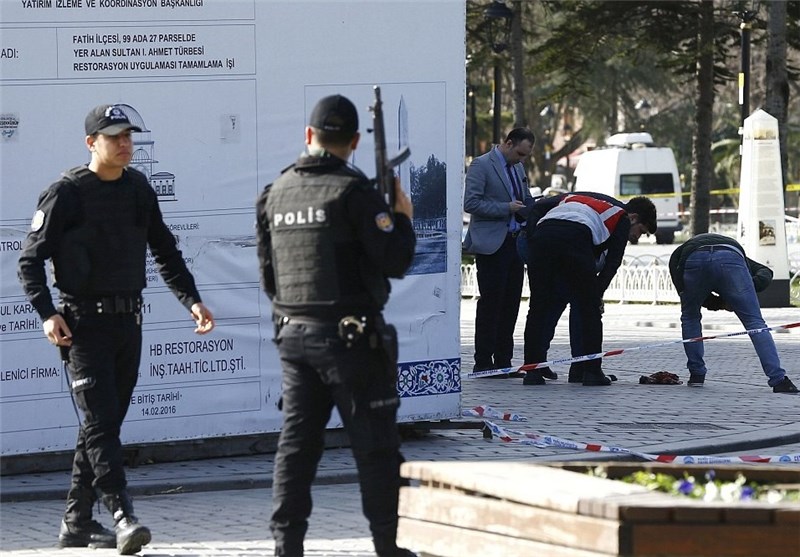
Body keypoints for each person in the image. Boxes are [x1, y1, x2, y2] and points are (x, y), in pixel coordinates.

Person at [17, 104, 216, 555]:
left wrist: (192, 300)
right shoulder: (66, 193)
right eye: (114, 136)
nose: (125, 144)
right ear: (92, 143)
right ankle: (123, 515)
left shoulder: (139, 190)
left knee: (100, 426)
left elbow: (165, 250)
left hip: (129, 323)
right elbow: (29, 260)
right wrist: (48, 312)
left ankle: (77, 522)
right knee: (102, 425)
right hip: (83, 326)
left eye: (129, 136)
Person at [255, 94, 418, 557]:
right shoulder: (355, 193)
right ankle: (389, 546)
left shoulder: (275, 192)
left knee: (296, 449)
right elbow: (397, 260)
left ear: (308, 137)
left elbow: (270, 279)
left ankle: (287, 547)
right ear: (353, 142)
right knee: (376, 448)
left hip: (295, 336)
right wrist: (402, 218)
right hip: (351, 340)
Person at [522, 192, 656, 386]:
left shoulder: (572, 200)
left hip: (543, 238)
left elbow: (538, 208)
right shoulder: (620, 216)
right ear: (634, 218)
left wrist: (533, 237)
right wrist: (596, 295)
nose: (636, 237)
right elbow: (613, 263)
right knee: (589, 312)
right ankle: (592, 372)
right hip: (576, 238)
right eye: (641, 231)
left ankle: (532, 372)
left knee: (537, 308)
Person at [668, 233, 798, 394]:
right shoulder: (742, 259)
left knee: (690, 316)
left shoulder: (678, 254)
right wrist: (743, 290)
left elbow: (682, 289)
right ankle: (779, 380)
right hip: (730, 257)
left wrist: (717, 303)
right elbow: (765, 273)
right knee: (755, 323)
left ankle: (697, 375)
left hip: (693, 258)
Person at [463, 128, 536, 377]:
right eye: (519, 153)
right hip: (492, 244)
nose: (521, 160)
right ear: (507, 144)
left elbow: (525, 197)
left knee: (511, 304)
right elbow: (470, 203)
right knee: (491, 304)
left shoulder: (518, 167)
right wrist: (506, 208)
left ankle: (504, 361)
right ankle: (483, 362)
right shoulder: (481, 165)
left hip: (516, 242)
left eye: (525, 156)